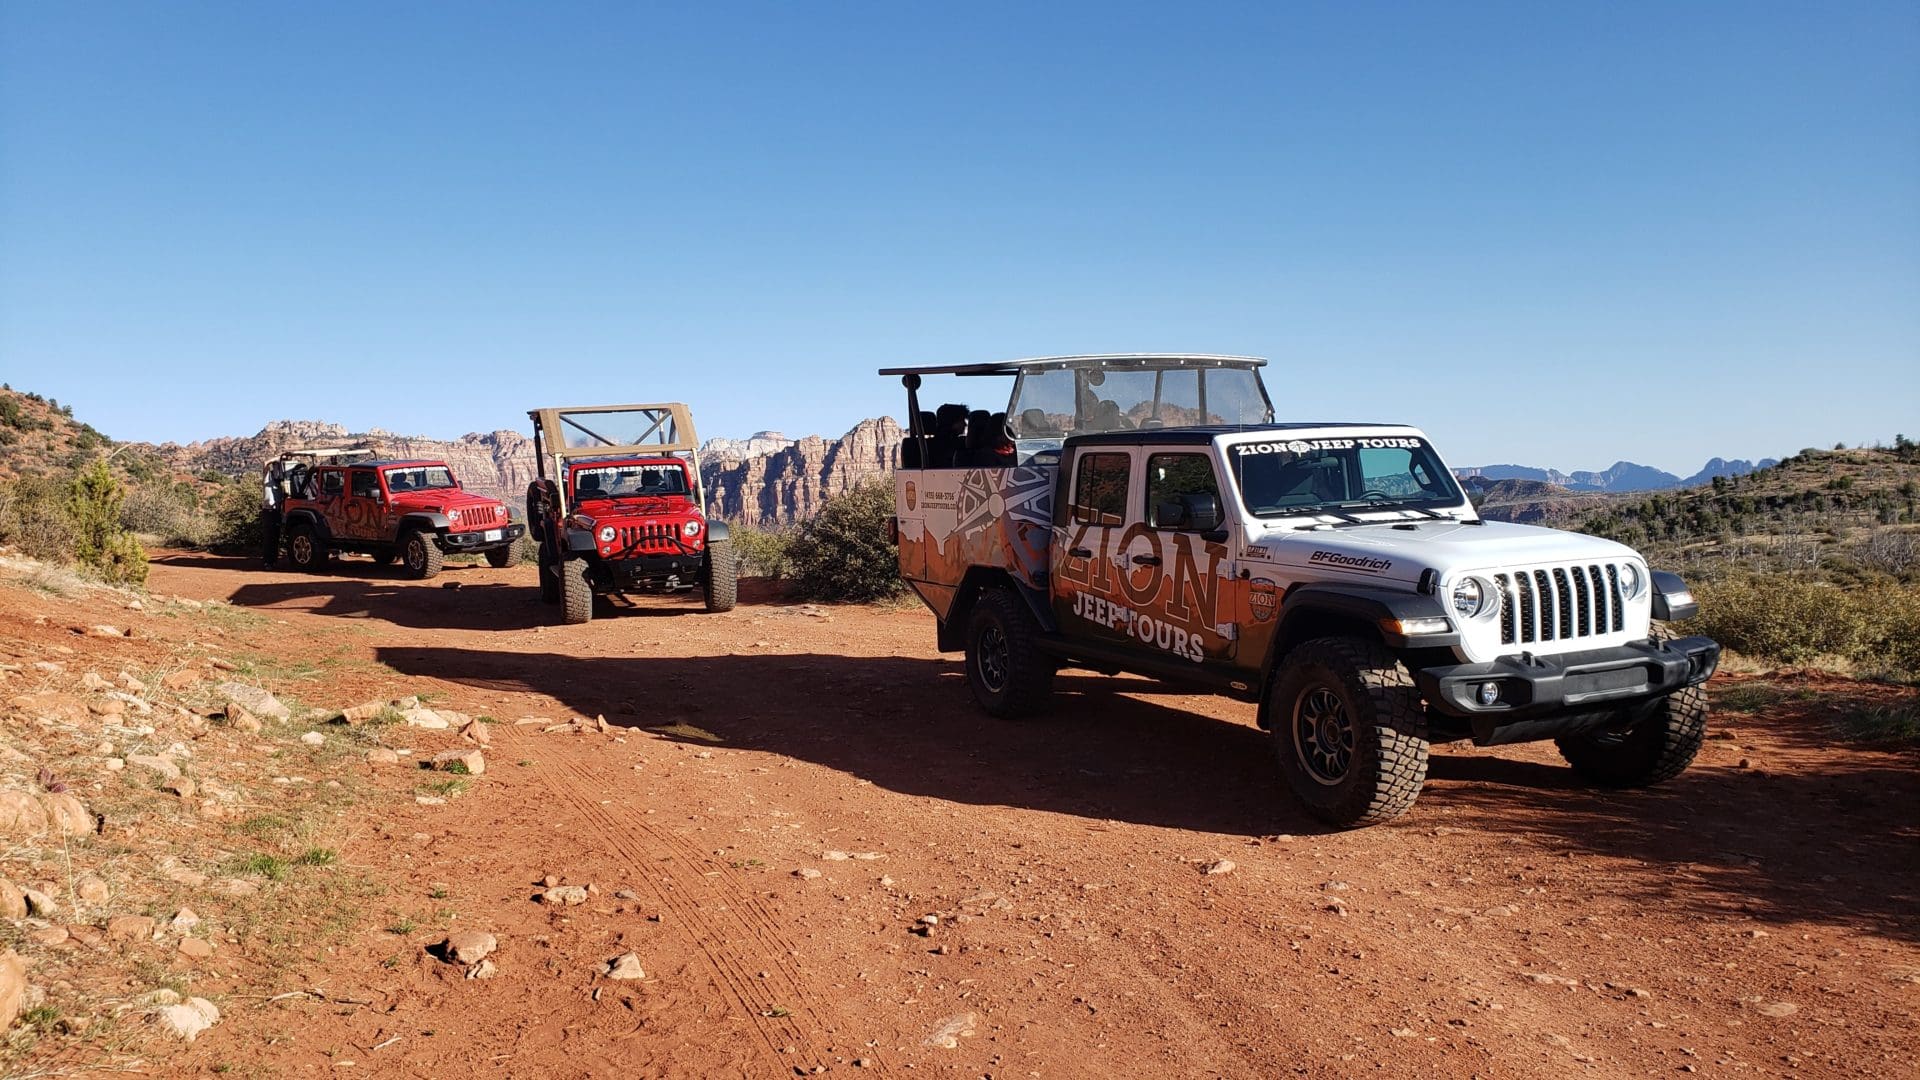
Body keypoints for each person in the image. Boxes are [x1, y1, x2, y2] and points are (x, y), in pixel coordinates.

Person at [259, 460, 287, 567]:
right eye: (276, 468)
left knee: (275, 537)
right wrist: (275, 459)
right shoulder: (268, 480)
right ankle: (267, 562)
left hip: (277, 512)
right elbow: (265, 464)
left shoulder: (280, 485)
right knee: (268, 537)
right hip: (269, 512)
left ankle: (273, 561)